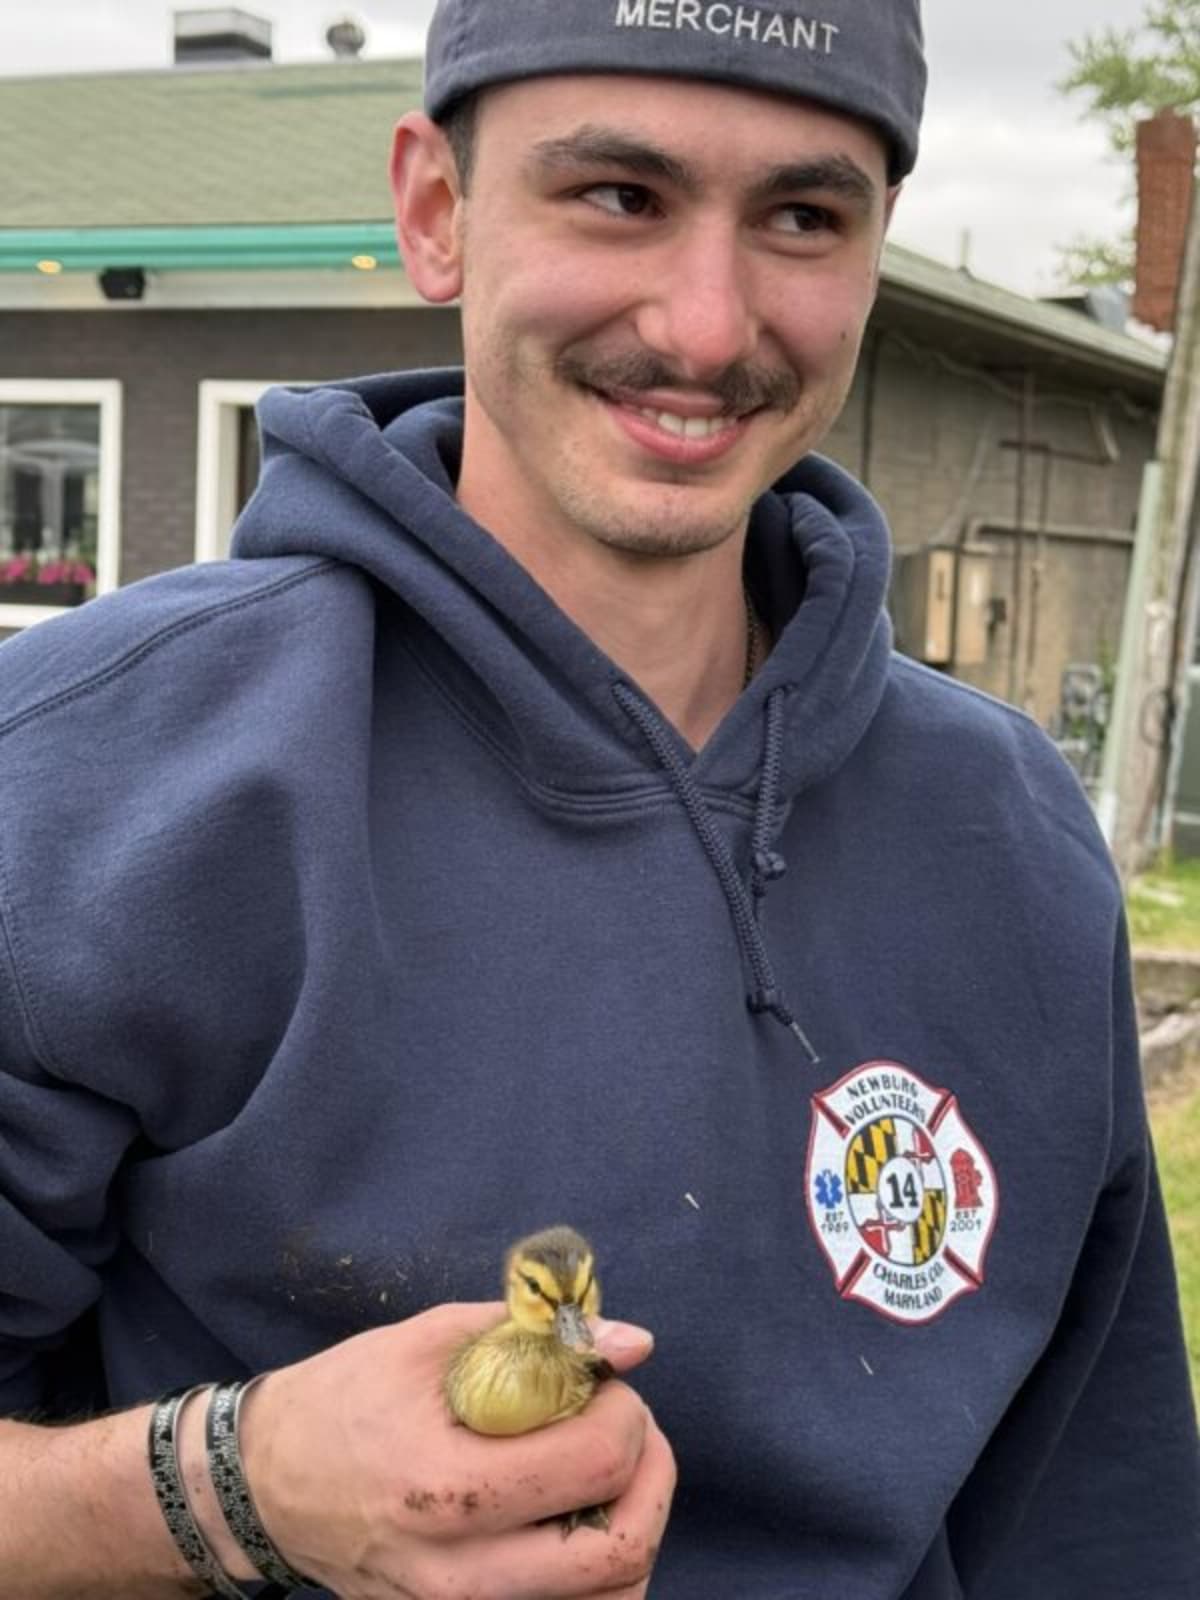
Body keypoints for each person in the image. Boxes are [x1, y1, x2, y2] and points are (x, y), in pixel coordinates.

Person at [0, 1, 1197, 1595]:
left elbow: (1091, 1517)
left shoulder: (1014, 843)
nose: (707, 327)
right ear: (437, 210)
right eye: (619, 196)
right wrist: (234, 1487)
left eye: (800, 216)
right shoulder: (89, 775)